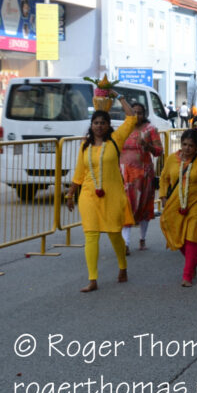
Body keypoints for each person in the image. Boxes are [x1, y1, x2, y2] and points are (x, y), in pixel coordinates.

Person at [64, 96, 137, 293]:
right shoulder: (85, 146)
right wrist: (70, 194)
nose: (99, 126)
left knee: (114, 234)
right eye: (96, 123)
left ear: (108, 125)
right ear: (91, 125)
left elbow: (131, 118)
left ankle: (122, 266)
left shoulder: (116, 140)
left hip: (113, 196)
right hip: (89, 195)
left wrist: (119, 97)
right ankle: (92, 279)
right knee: (91, 235)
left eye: (103, 123)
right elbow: (79, 172)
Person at [159, 128, 197, 286]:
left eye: (191, 145)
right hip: (175, 202)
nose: (187, 148)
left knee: (191, 237)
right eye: (184, 144)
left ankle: (187, 276)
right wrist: (163, 196)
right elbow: (164, 178)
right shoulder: (172, 159)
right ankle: (193, 261)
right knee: (175, 233)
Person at [120, 103, 163, 253]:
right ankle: (125, 243)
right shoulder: (123, 129)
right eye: (134, 112)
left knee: (144, 207)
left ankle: (142, 239)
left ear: (144, 114)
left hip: (144, 174)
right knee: (127, 206)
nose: (136, 115)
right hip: (125, 174)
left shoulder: (150, 130)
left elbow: (159, 151)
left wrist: (147, 146)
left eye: (139, 113)